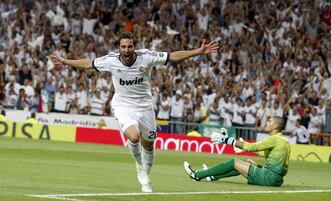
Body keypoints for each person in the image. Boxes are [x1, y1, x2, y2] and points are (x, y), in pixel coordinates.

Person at [49, 32, 219, 193]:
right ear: (119, 47)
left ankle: (147, 174)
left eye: (129, 46)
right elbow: (88, 63)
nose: (126, 50)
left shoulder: (146, 57)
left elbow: (172, 56)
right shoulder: (111, 60)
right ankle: (139, 166)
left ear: (134, 46)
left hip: (145, 106)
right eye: (123, 47)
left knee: (149, 145)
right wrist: (65, 61)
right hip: (123, 106)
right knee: (134, 136)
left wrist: (199, 51)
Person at [184, 116, 291, 186]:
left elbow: (252, 147)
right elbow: (261, 153)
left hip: (268, 178)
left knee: (235, 162)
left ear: (276, 126)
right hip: (277, 180)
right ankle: (213, 176)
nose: (266, 123)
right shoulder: (283, 140)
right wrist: (241, 146)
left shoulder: (274, 139)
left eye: (269, 121)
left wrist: (227, 140)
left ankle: (198, 175)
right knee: (248, 161)